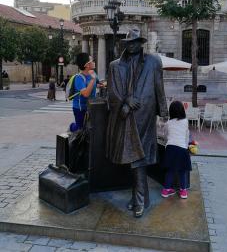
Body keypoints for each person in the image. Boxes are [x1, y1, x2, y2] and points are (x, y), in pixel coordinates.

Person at [106, 29, 168, 218]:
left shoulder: (153, 61)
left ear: (141, 43)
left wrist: (164, 111)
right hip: (125, 117)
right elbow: (111, 92)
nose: (132, 45)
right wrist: (125, 101)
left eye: (135, 42)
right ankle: (142, 198)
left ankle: (140, 200)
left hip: (145, 116)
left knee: (138, 157)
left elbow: (159, 86)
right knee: (135, 157)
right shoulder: (115, 66)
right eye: (129, 42)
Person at [161, 101, 192, 200]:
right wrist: (186, 147)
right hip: (182, 149)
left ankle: (166, 190)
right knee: (182, 171)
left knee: (170, 170)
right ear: (182, 110)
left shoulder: (168, 123)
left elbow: (165, 136)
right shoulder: (186, 121)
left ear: (171, 111)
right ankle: (183, 191)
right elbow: (186, 136)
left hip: (170, 148)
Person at [71, 53, 100, 130]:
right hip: (80, 108)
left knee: (89, 128)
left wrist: (101, 84)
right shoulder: (79, 78)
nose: (94, 62)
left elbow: (97, 84)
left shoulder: (93, 73)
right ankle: (72, 127)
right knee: (80, 129)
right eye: (92, 61)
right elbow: (86, 94)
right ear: (87, 65)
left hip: (91, 106)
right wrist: (92, 79)